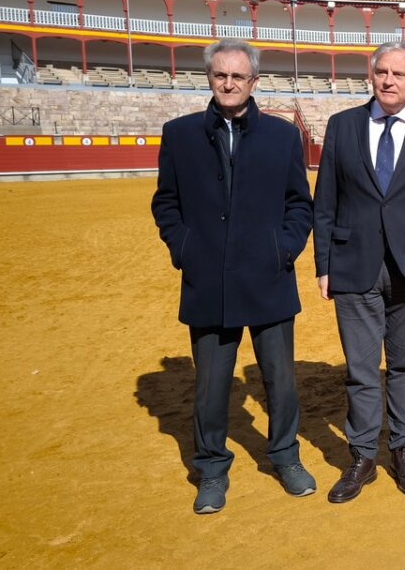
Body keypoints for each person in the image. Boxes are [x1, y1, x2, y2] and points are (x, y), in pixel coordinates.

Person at [151, 38, 315, 514]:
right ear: (209, 78)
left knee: (281, 382)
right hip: (208, 281)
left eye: (237, 76)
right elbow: (166, 202)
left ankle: (285, 456)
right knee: (210, 386)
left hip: (268, 277)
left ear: (254, 82)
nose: (228, 83)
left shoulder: (283, 136)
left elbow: (298, 204)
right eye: (220, 75)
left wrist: (283, 249)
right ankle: (211, 469)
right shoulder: (179, 134)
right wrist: (185, 249)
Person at [313, 41, 405, 504]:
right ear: (371, 76)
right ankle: (361, 455)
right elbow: (326, 201)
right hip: (352, 264)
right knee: (359, 368)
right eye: (382, 71)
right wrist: (322, 264)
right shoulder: (342, 125)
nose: (389, 80)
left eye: (399, 73)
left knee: (403, 364)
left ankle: (402, 448)